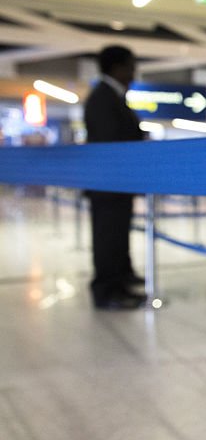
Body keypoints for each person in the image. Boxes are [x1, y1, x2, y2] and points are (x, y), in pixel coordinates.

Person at [84, 45, 145, 310]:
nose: (133, 72)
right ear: (117, 67)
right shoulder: (103, 98)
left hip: (117, 184)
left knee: (117, 236)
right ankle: (107, 291)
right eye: (130, 65)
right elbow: (110, 143)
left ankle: (119, 285)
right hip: (108, 183)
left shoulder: (112, 96)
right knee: (108, 238)